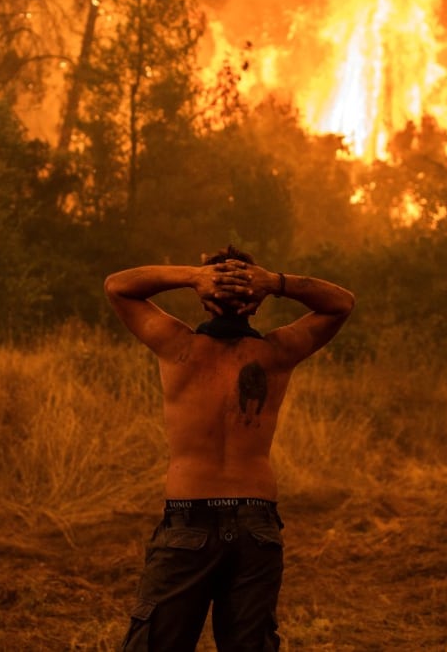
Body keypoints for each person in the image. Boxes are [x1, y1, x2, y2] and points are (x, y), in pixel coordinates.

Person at [105, 246, 355, 652]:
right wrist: (275, 283)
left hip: (190, 518)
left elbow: (117, 286)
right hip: (256, 524)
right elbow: (341, 303)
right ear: (255, 303)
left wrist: (193, 277)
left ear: (205, 300)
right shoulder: (276, 353)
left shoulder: (177, 346)